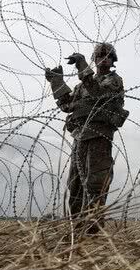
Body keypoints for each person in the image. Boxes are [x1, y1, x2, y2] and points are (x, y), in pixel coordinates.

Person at [45, 42, 128, 233]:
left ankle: (92, 231)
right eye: (99, 55)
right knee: (75, 185)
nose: (103, 58)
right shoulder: (82, 85)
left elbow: (98, 93)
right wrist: (56, 81)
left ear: (113, 60)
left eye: (107, 55)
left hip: (99, 136)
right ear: (95, 59)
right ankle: (76, 231)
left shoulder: (114, 80)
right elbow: (66, 105)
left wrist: (82, 65)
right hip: (80, 137)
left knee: (95, 185)